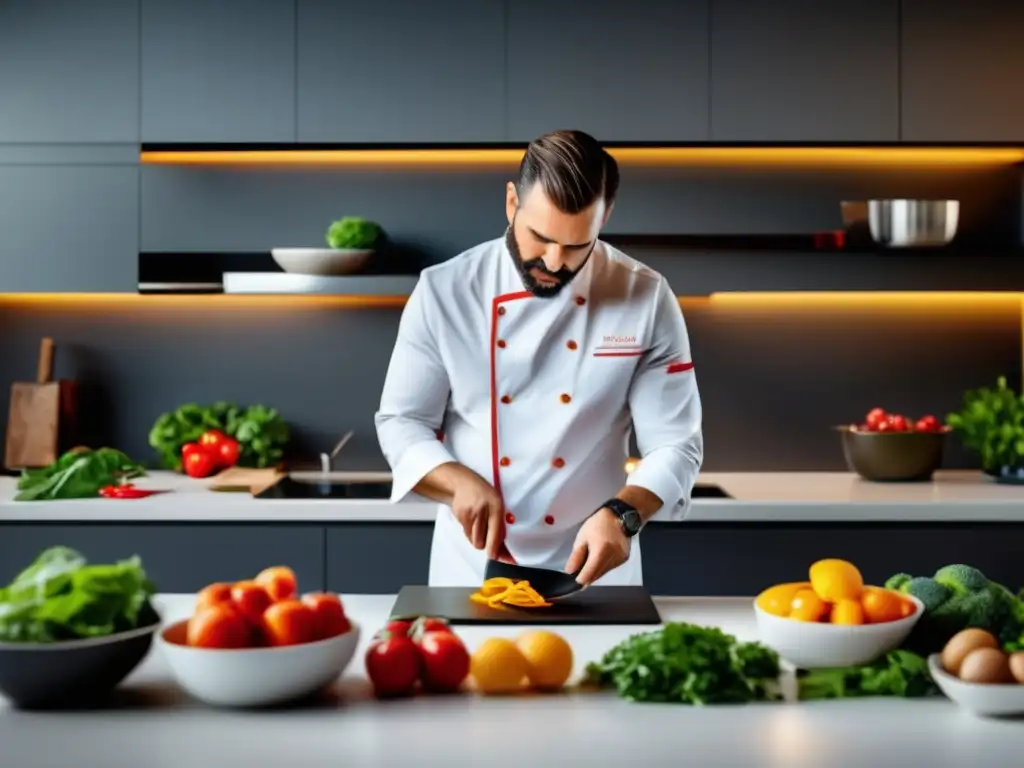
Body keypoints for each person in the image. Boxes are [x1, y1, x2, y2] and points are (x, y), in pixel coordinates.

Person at [374, 129, 703, 588]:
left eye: (575, 246)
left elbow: (676, 444)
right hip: (472, 569)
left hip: (596, 566)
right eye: (539, 237)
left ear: (605, 217)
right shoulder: (444, 292)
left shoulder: (644, 296)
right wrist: (456, 481)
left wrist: (625, 514)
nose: (553, 261)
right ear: (511, 203)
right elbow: (401, 422)